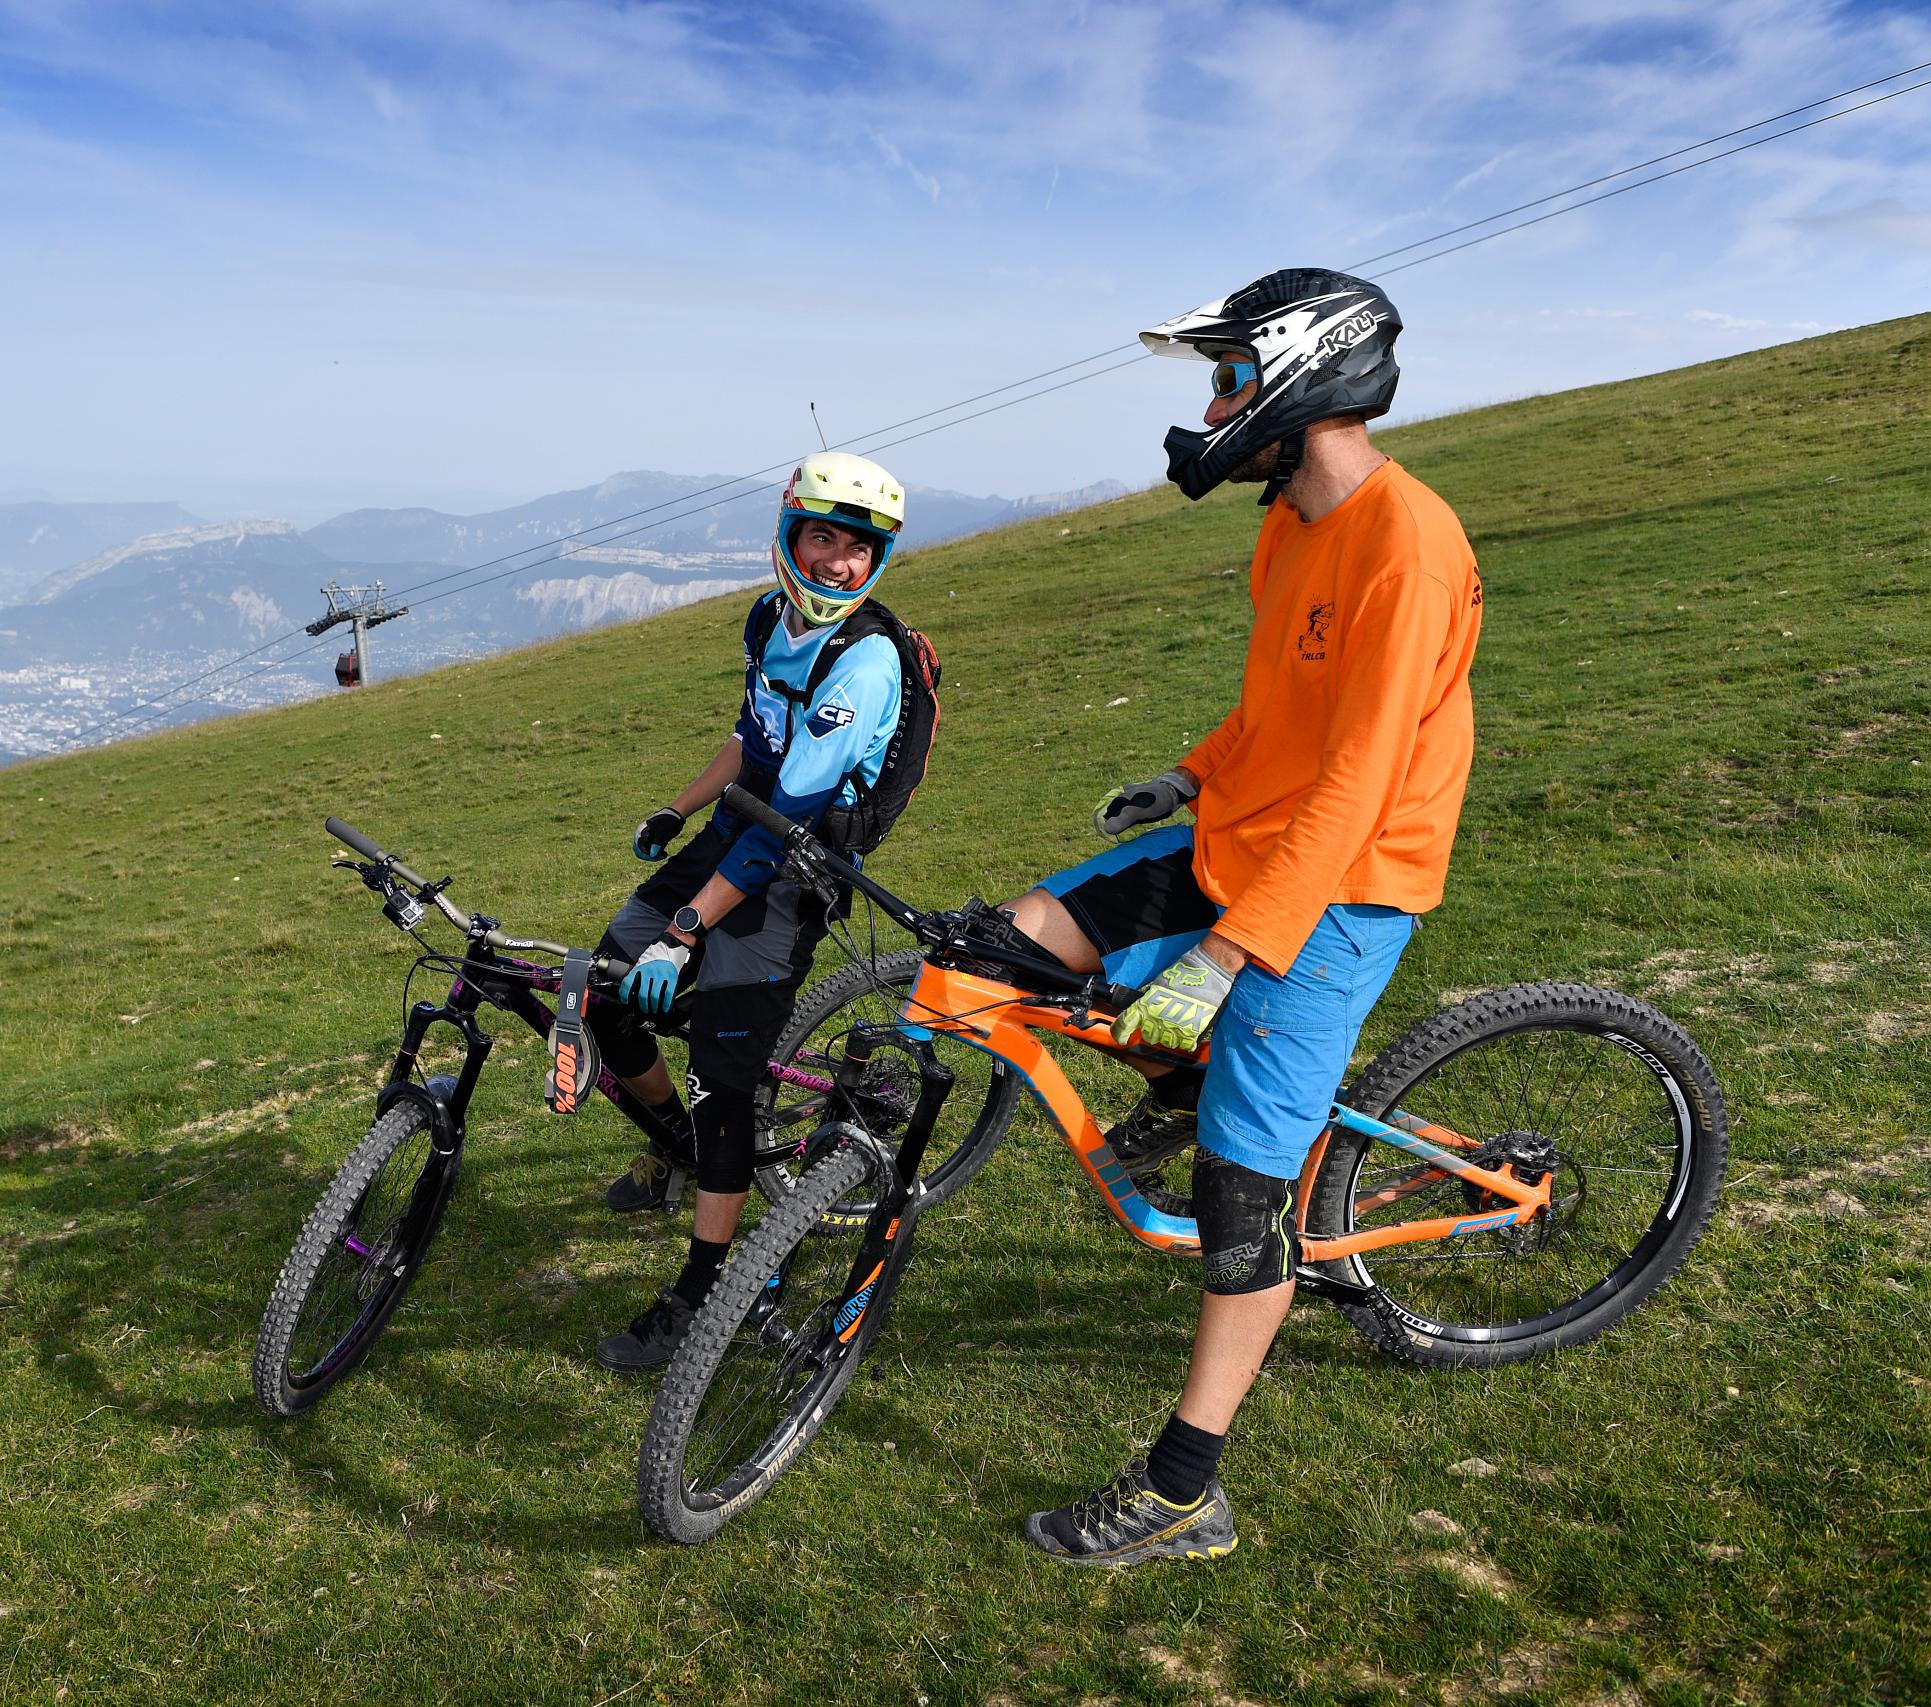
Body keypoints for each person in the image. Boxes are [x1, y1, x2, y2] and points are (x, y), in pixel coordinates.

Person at [1008, 269, 1485, 1566]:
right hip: (1250, 830)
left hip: (1347, 884)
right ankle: (1178, 1071)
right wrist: (1195, 770)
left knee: (1238, 1203)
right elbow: (1282, 713)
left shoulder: (1409, 543)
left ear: (1303, 377)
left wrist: (1223, 957)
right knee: (1016, 941)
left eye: (1228, 376)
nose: (1214, 404)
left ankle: (1183, 1487)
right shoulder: (1288, 523)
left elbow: (1358, 779)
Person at [586, 451, 912, 1371]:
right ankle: (680, 1151)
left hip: (793, 865)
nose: (839, 562)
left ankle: (700, 1295)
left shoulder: (867, 663)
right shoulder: (770, 618)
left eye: (859, 547)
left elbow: (786, 828)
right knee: (611, 994)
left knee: (726, 1080)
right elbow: (749, 735)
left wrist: (687, 930)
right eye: (823, 537)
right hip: (734, 831)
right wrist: (679, 807)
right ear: (788, 535)